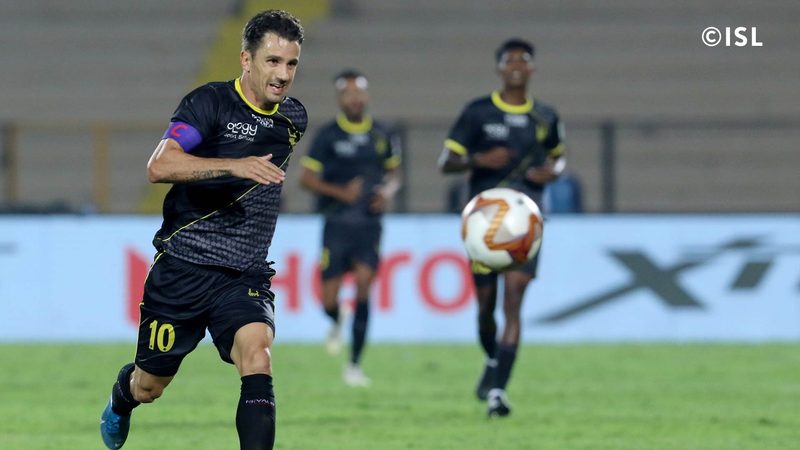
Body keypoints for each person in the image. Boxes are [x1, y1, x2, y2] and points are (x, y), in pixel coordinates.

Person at [99, 10, 306, 450]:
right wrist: (235, 166)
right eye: (272, 61)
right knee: (149, 386)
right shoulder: (209, 103)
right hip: (183, 270)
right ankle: (122, 397)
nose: (283, 74)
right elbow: (160, 166)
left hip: (243, 274)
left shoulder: (293, 119)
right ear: (246, 59)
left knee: (258, 357)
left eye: (291, 64)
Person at [438, 38, 566, 417]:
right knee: (484, 308)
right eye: (509, 61)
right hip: (484, 226)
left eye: (523, 60)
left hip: (526, 223)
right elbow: (447, 161)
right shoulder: (478, 112)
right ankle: (493, 359)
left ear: (532, 68)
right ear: (499, 68)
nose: (516, 66)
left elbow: (559, 159)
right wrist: (479, 159)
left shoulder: (545, 116)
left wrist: (551, 172)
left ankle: (498, 393)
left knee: (513, 302)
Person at [299, 69, 401, 387]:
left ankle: (354, 365)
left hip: (369, 225)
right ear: (339, 98)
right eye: (348, 93)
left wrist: (387, 192)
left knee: (364, 287)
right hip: (336, 224)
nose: (355, 98)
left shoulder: (382, 134)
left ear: (367, 96)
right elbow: (306, 179)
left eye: (359, 92)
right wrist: (340, 192)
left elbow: (394, 174)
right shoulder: (328, 136)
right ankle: (336, 317)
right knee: (328, 300)